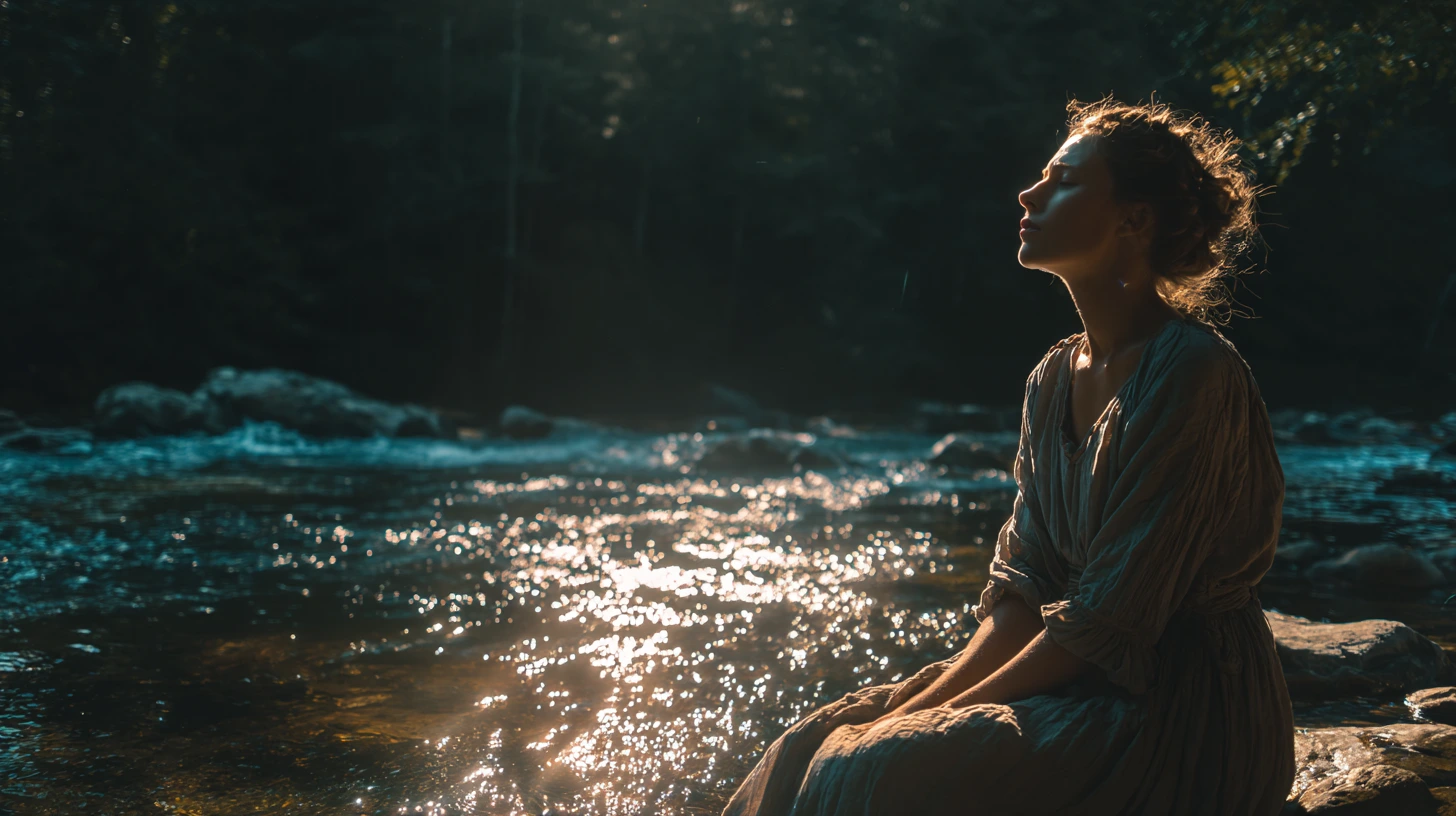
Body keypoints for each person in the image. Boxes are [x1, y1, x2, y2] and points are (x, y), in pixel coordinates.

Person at [720, 94, 1296, 815]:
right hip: (1079, 673)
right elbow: (1025, 592)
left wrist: (912, 729)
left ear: (1133, 219)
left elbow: (1108, 622)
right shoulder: (1054, 376)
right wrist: (914, 710)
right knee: (810, 743)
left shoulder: (1193, 373)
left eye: (1064, 180)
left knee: (863, 767)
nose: (1029, 192)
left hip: (1180, 714)